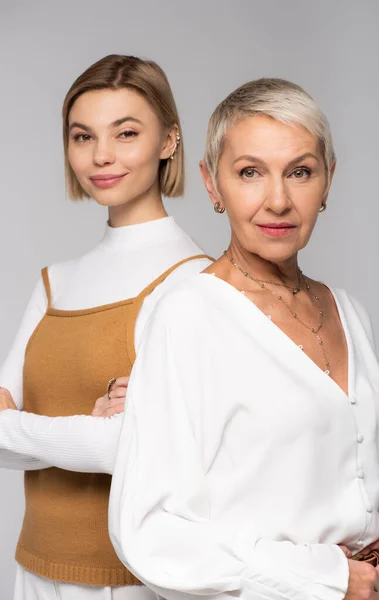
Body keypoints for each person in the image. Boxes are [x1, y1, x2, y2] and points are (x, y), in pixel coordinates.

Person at [109, 78, 379, 600]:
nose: (278, 200)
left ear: (328, 180)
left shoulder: (349, 311)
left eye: (301, 172)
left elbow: (350, 483)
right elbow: (150, 530)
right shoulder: (188, 315)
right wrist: (325, 578)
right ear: (212, 183)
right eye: (249, 173)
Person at [0, 54, 211, 600]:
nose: (101, 156)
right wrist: (91, 432)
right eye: (82, 136)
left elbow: (138, 450)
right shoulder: (55, 282)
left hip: (134, 581)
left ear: (169, 141)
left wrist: (27, 427)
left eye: (126, 132)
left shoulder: (196, 283)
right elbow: (110, 443)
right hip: (33, 571)